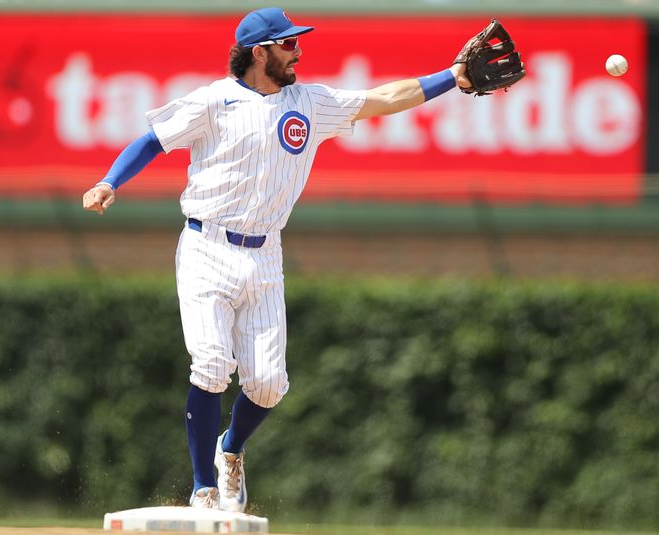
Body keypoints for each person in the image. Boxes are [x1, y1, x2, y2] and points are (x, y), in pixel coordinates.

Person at [83, 7, 472, 512]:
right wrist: (109, 181)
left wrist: (452, 77)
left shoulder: (309, 102)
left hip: (266, 254)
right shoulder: (214, 101)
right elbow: (151, 141)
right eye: (288, 43)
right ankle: (203, 487)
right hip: (206, 245)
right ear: (259, 51)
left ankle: (231, 449)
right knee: (212, 365)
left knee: (267, 386)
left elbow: (382, 98)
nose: (298, 50)